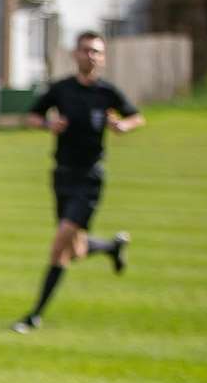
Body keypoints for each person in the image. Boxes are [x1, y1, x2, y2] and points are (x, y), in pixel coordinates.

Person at [11, 31, 142, 333]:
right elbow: (31, 116)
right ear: (75, 55)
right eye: (85, 50)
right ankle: (112, 247)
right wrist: (48, 124)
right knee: (76, 248)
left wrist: (123, 125)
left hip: (90, 178)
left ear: (103, 58)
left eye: (96, 51)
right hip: (62, 174)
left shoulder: (107, 93)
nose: (90, 56)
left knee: (60, 246)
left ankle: (34, 315)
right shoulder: (61, 89)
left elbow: (137, 117)